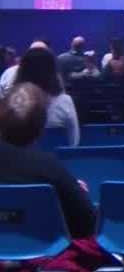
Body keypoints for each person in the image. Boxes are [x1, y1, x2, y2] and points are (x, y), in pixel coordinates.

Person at [0, 83, 100, 269]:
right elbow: (87, 224)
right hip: (42, 253)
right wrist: (77, 193)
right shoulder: (50, 167)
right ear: (39, 129)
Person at [14, 47, 79, 146]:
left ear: (22, 71)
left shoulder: (12, 101)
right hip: (58, 160)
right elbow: (74, 140)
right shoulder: (65, 102)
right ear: (53, 72)